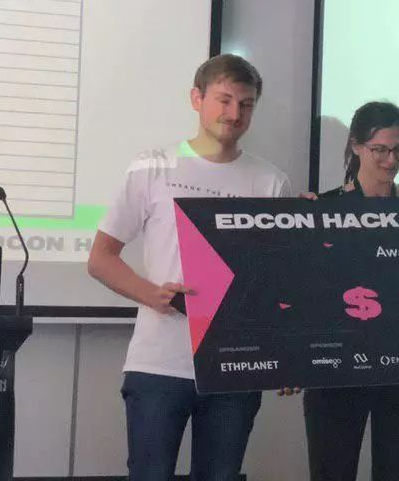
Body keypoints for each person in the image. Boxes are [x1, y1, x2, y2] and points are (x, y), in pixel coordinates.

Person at [87, 54, 291, 480]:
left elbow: (281, 282)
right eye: (224, 100)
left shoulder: (271, 182)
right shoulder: (152, 167)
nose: (234, 114)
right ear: (196, 99)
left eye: (246, 104)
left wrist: (288, 356)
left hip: (235, 368)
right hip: (160, 363)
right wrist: (151, 294)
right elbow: (101, 258)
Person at [300, 101, 399, 481]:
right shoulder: (322, 209)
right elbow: (302, 292)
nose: (391, 160)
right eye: (380, 150)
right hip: (336, 374)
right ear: (356, 147)